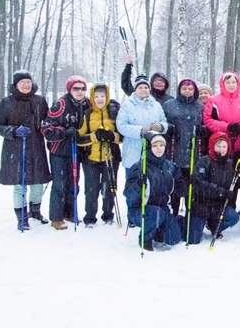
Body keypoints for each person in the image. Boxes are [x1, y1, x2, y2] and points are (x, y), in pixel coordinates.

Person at [0, 70, 51, 230]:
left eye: (28, 82)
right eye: (22, 82)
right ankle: (22, 217)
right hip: (15, 148)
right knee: (20, 184)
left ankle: (35, 211)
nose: (26, 85)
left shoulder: (40, 100)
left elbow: (47, 120)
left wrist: (47, 127)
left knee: (38, 182)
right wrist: (13, 131)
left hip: (36, 147)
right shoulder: (7, 102)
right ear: (16, 85)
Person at [116, 74, 169, 216]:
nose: (144, 90)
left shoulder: (156, 105)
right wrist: (140, 131)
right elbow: (121, 125)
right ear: (135, 89)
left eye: (146, 87)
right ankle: (133, 213)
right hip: (133, 150)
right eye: (140, 87)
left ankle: (148, 211)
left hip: (153, 150)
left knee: (150, 183)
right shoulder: (128, 104)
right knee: (134, 184)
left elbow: (164, 122)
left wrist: (160, 127)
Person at [42, 75, 90, 230]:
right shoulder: (61, 104)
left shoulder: (87, 103)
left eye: (83, 88)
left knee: (74, 183)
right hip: (60, 151)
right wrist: (64, 131)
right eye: (76, 88)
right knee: (59, 184)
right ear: (70, 89)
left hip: (77, 150)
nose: (80, 91)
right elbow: (46, 128)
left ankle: (69, 212)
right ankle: (56, 217)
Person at [123, 133, 182, 251]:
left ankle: (159, 231)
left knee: (173, 238)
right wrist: (138, 185)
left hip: (162, 208)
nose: (159, 148)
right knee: (156, 214)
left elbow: (178, 181)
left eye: (162, 145)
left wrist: (182, 184)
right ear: (149, 147)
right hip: (140, 210)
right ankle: (145, 239)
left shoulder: (169, 165)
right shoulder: (140, 167)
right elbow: (128, 194)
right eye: (155, 145)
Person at [77, 83, 122, 227]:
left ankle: (108, 215)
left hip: (111, 157)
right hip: (91, 158)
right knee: (91, 189)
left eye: (102, 96)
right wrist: (94, 136)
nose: (100, 99)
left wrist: (111, 135)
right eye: (96, 96)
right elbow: (79, 138)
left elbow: (122, 137)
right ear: (92, 98)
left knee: (109, 188)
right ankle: (90, 217)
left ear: (107, 96)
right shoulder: (88, 113)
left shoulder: (114, 112)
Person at [187, 132, 240, 244]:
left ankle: (214, 225)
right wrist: (221, 192)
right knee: (193, 239)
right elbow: (200, 184)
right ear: (212, 146)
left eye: (224, 146)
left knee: (233, 217)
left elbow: (232, 183)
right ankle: (186, 223)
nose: (221, 149)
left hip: (217, 206)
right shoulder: (204, 162)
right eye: (218, 146)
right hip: (201, 205)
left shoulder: (229, 164)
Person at [163, 79, 204, 215]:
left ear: (194, 91)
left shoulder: (199, 106)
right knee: (176, 183)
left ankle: (189, 213)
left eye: (190, 89)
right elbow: (163, 122)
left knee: (191, 184)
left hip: (193, 150)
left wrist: (203, 130)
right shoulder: (169, 105)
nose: (187, 91)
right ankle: (174, 212)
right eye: (184, 89)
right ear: (179, 90)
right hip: (175, 149)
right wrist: (168, 129)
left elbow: (205, 123)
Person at [203, 72, 240, 162]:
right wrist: (226, 127)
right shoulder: (213, 100)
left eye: (233, 82)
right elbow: (207, 120)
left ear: (238, 84)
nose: (231, 85)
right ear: (222, 84)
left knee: (237, 171)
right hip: (219, 144)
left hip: (239, 144)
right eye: (228, 82)